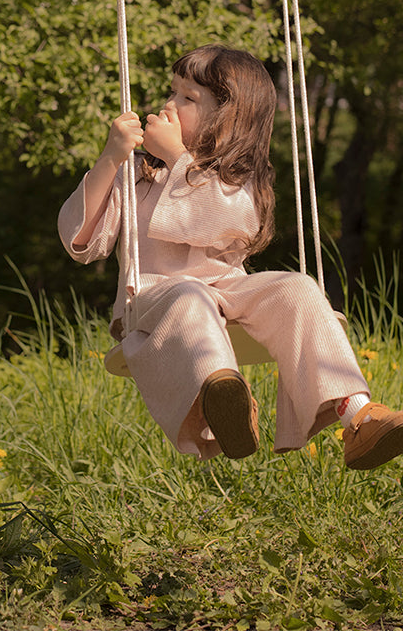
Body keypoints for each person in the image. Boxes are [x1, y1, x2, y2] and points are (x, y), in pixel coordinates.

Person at [58, 44, 403, 466]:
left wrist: (177, 158)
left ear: (227, 117)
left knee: (297, 287)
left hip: (226, 289)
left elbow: (230, 220)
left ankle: (359, 418)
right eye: (173, 91)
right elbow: (81, 238)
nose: (169, 104)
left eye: (188, 98)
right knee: (190, 295)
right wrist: (112, 156)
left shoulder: (239, 178)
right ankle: (224, 405)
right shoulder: (141, 172)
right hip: (155, 297)